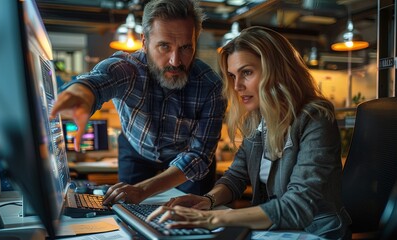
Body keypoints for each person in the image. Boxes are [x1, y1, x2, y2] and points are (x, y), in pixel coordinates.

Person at [146, 26, 352, 239]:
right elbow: (236, 176)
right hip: (275, 231)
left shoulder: (315, 117)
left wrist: (211, 219)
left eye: (247, 72)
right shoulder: (257, 120)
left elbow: (298, 206)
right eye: (232, 76)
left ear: (277, 69)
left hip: (316, 233)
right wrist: (207, 200)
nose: (237, 86)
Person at [50, 0, 226, 205]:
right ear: (144, 42)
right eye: (164, 46)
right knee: (127, 209)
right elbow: (100, 80)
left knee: (195, 216)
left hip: (188, 159)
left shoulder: (211, 86)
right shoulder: (129, 68)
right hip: (136, 151)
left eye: (186, 47)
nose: (175, 61)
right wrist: (82, 93)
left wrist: (144, 190)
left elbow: (199, 155)